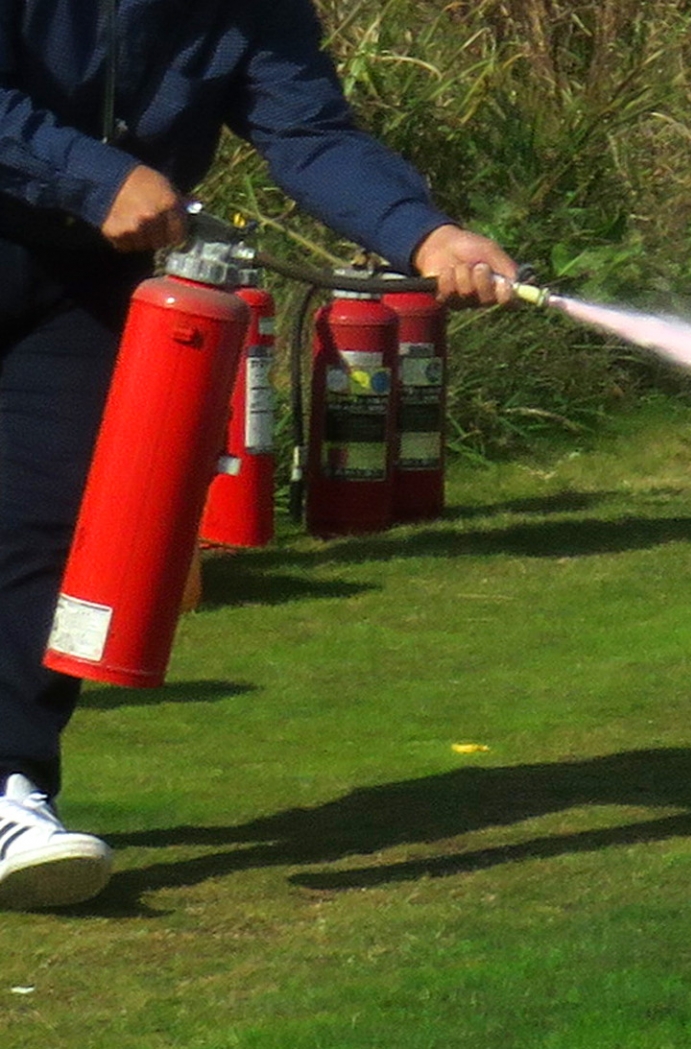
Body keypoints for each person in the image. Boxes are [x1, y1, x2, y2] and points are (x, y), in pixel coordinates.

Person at [0, 0, 520, 909]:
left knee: (51, 529)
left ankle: (10, 784)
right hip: (51, 208)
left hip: (80, 279)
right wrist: (92, 175)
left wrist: (421, 232)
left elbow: (310, 131)